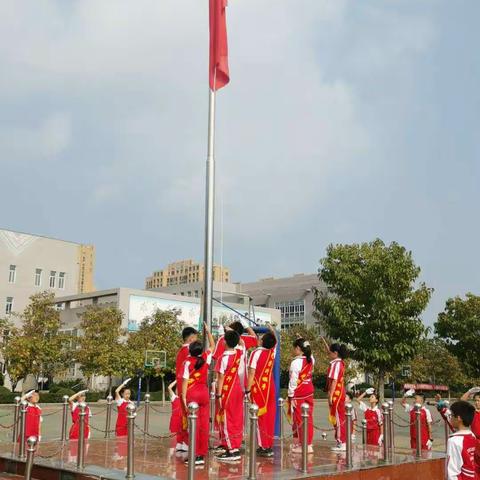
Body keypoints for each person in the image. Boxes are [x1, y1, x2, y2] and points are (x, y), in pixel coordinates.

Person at [181, 323, 215, 466]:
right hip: (204, 393)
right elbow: (212, 346)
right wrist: (208, 332)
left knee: (193, 425)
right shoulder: (205, 358)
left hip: (192, 394)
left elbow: (184, 384)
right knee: (203, 425)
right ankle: (201, 454)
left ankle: (195, 454)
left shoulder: (187, 362)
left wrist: (183, 400)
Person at [246, 323, 277, 457]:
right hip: (270, 387)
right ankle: (268, 444)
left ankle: (263, 446)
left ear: (263, 341)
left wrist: (247, 390)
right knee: (269, 416)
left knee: (260, 417)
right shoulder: (272, 351)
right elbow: (275, 342)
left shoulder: (256, 353)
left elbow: (251, 373)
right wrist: (272, 330)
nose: (259, 338)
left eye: (261, 337)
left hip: (258, 387)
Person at [215, 330, 244, 461]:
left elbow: (220, 378)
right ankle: (235, 445)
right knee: (237, 418)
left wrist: (219, 395)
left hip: (227, 392)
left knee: (227, 419)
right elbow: (242, 343)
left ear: (224, 342)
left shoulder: (222, 358)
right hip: (238, 389)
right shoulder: (240, 353)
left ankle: (232, 450)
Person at [287, 338, 315, 454]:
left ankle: (305, 445)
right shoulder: (311, 360)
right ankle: (307, 443)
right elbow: (311, 354)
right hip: (309, 391)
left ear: (298, 349)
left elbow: (293, 381)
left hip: (298, 393)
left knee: (300, 419)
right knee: (308, 418)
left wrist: (290, 395)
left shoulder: (296, 363)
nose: (294, 350)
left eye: (295, 348)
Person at [175, 326, 198, 451]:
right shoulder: (189, 351)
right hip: (188, 386)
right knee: (189, 414)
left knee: (182, 414)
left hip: (181, 386)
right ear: (190, 338)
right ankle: (187, 442)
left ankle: (181, 441)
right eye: (195, 338)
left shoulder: (180, 351)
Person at [323, 339, 348, 452]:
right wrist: (325, 343)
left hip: (336, 394)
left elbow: (334, 380)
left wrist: (330, 395)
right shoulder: (340, 362)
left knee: (338, 418)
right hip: (340, 393)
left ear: (335, 353)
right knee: (339, 417)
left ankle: (341, 441)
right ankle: (342, 441)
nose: (328, 354)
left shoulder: (335, 364)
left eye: (330, 353)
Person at [446, 400, 477, 480]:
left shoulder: (454, 441)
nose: (451, 418)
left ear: (459, 418)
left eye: (452, 415)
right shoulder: (472, 436)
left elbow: (452, 473)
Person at [167, 380, 183, 450]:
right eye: (177, 389)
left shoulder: (184, 398)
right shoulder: (174, 397)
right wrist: (177, 380)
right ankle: (172, 449)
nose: (178, 390)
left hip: (182, 419)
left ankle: (180, 447)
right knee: (173, 435)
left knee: (181, 434)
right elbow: (169, 387)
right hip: (175, 419)